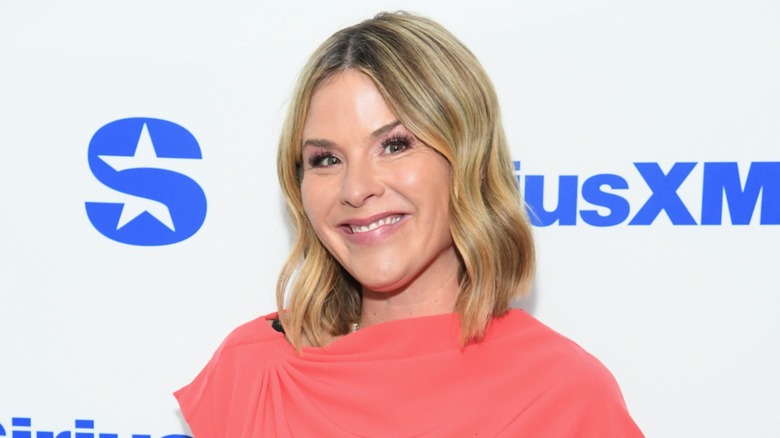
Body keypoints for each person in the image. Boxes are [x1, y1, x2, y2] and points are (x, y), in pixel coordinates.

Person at [175, 11, 643, 437]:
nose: (355, 188)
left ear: (466, 157)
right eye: (326, 158)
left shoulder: (563, 396)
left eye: (395, 145)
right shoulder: (252, 370)